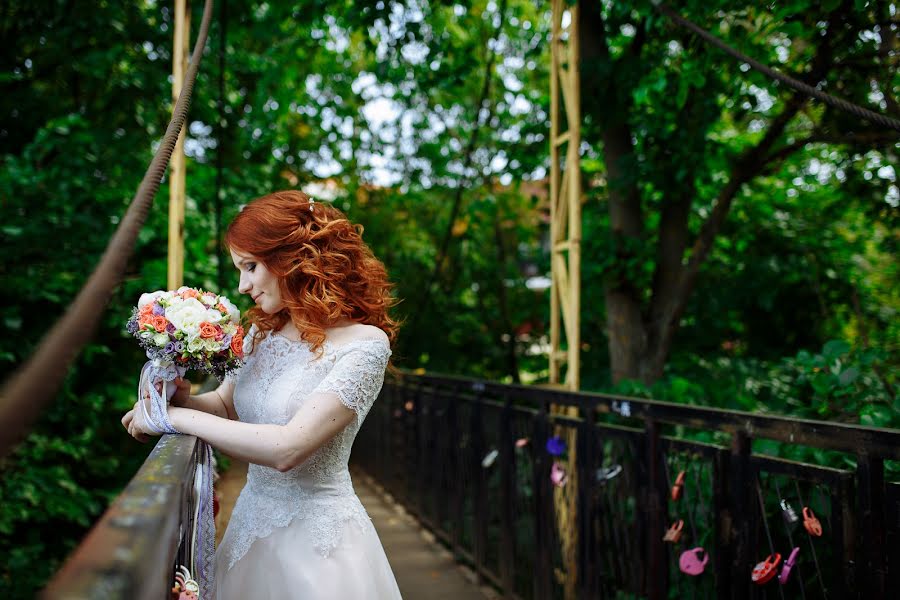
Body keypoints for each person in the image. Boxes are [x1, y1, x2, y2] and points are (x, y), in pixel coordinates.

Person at [120, 190, 403, 599]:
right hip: (250, 529)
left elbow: (287, 449)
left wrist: (173, 420)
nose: (242, 284)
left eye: (250, 266)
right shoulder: (261, 333)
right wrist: (180, 397)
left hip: (319, 553)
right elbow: (222, 406)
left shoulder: (365, 345)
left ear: (293, 257)